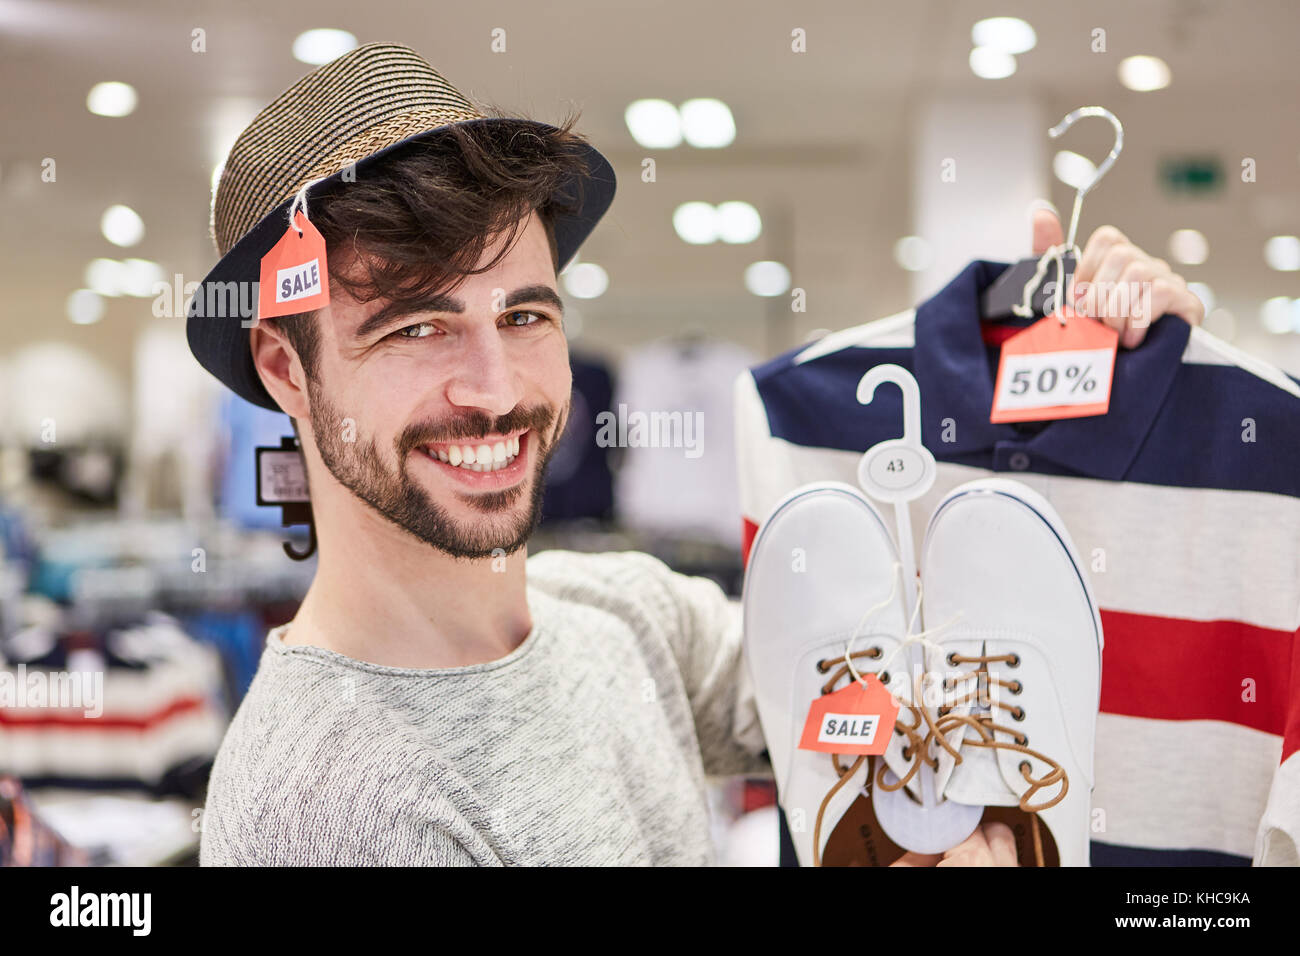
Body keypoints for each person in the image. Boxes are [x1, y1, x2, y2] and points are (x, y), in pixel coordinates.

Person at [192, 43, 1203, 866]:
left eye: (526, 313)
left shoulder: (620, 612)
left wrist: (1091, 384)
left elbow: (904, 692)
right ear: (287, 365)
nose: (498, 388)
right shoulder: (318, 808)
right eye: (417, 327)